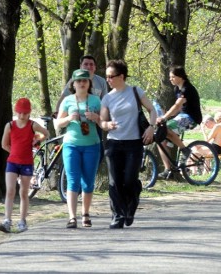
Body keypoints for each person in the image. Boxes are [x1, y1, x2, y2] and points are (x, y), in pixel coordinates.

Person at [99, 59, 156, 229]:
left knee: (130, 180)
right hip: (114, 143)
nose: (108, 80)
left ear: (121, 76)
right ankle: (118, 215)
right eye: (107, 77)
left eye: (111, 76)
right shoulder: (108, 98)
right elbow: (102, 121)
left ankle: (132, 201)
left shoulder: (135, 91)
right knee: (114, 181)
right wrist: (106, 125)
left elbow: (152, 110)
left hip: (134, 143)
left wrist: (151, 128)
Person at [56, 69, 102, 228]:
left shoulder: (96, 100)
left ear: (89, 83)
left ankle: (86, 214)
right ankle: (72, 217)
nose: (82, 83)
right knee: (73, 180)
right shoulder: (67, 100)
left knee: (88, 182)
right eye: (79, 81)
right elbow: (58, 123)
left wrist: (96, 118)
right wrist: (68, 118)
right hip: (71, 145)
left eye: (85, 81)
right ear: (73, 84)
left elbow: (105, 122)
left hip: (92, 145)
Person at [0, 98, 49, 233]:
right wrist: (14, 152)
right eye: (20, 113)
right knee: (10, 191)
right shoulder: (10, 125)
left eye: (25, 113)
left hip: (27, 163)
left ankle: (22, 221)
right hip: (12, 163)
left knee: (23, 192)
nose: (22, 116)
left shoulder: (32, 125)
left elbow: (46, 133)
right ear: (16, 111)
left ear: (29, 113)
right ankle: (7, 220)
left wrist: (37, 140)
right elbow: (4, 144)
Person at [156, 66, 203, 179]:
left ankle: (185, 150)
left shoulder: (186, 89)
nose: (170, 79)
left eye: (173, 77)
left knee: (166, 127)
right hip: (182, 116)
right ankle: (168, 169)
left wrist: (164, 118)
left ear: (180, 77)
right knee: (160, 141)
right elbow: (176, 110)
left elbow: (177, 106)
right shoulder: (176, 89)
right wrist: (164, 115)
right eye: (170, 77)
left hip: (191, 118)